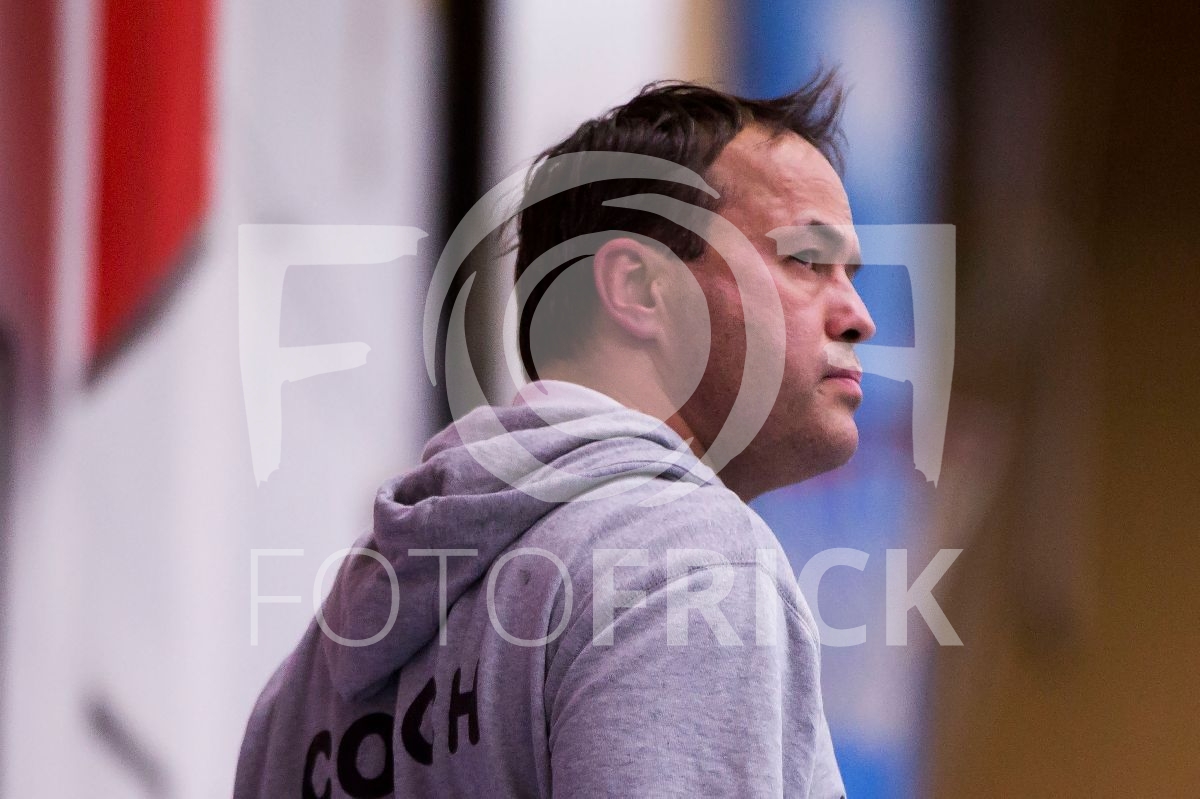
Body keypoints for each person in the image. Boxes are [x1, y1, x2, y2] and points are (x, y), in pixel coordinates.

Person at [235, 73, 872, 798]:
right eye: (805, 260)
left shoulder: (303, 688)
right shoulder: (690, 560)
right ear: (639, 288)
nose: (858, 315)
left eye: (849, 273)